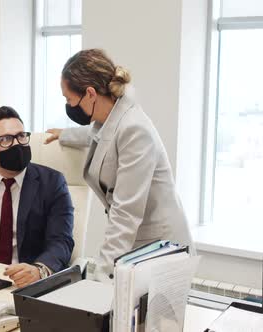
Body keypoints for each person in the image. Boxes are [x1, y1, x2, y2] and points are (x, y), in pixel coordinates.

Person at [45, 49, 193, 281]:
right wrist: (65, 134)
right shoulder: (111, 117)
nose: (68, 106)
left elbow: (125, 215)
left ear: (91, 94)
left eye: (69, 99)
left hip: (159, 249)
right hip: (140, 246)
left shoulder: (134, 130)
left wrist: (100, 276)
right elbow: (99, 137)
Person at [0, 106, 75, 288]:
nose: (17, 144)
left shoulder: (52, 182)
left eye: (21, 136)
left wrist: (39, 270)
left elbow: (62, 242)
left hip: (28, 283)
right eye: (6, 139)